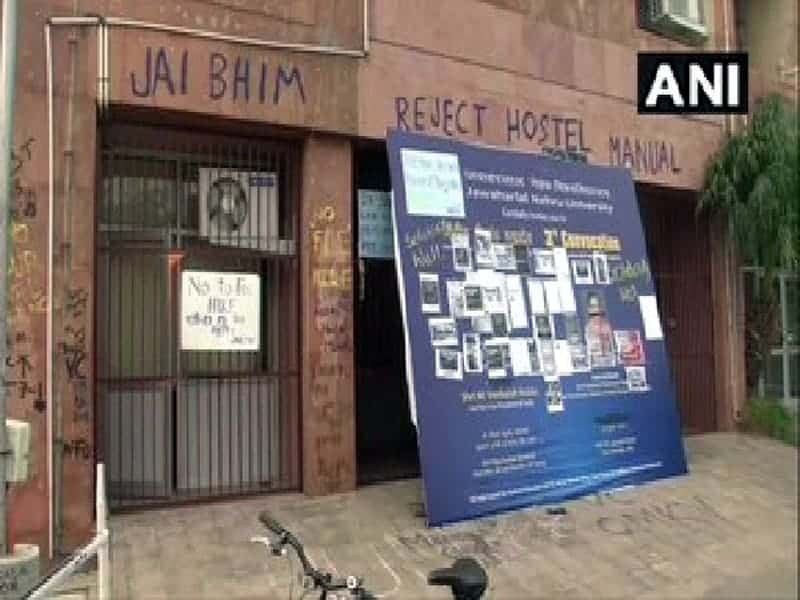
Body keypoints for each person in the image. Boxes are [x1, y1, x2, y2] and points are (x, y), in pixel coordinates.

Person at [585, 291, 615, 368]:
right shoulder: (587, 328)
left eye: (599, 306)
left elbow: (612, 348)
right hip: (596, 365)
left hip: (609, 364)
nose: (597, 309)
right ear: (589, 309)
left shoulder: (608, 326)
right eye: (593, 306)